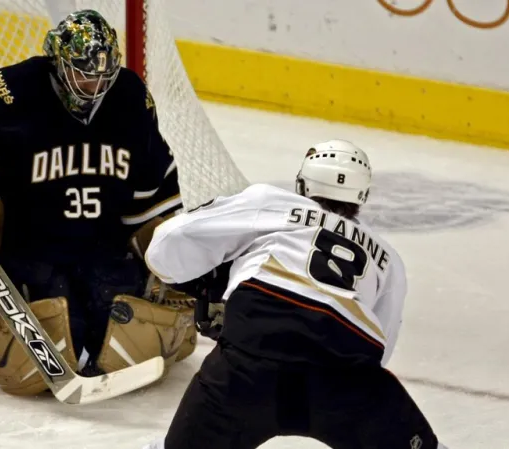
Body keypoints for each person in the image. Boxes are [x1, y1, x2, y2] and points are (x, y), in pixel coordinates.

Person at [0, 9, 197, 396]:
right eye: (84, 73)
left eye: (103, 75)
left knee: (131, 340)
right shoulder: (12, 92)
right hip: (33, 248)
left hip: (103, 248)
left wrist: (167, 260)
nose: (95, 85)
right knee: (45, 353)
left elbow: (154, 178)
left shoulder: (130, 97)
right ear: (59, 63)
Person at [143, 140, 447, 448]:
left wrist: (195, 279)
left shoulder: (272, 202)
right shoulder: (387, 258)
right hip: (344, 380)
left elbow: (169, 240)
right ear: (361, 197)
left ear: (302, 184)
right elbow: (383, 345)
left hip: (247, 365)